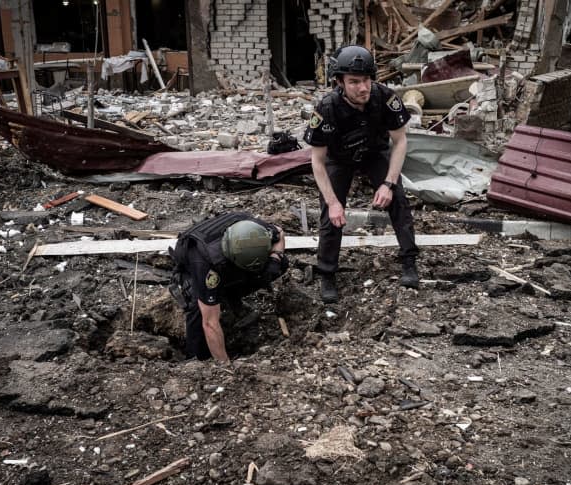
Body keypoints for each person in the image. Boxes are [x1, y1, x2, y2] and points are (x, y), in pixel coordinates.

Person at [303, 45, 418, 303]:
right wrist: (333, 203)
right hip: (338, 159)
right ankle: (327, 274)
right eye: (354, 82)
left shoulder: (385, 98)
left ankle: (409, 262)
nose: (363, 88)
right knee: (330, 215)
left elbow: (400, 142)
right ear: (340, 82)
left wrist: (388, 183)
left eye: (366, 80)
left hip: (373, 152)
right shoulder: (326, 109)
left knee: (398, 199)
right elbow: (317, 161)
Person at [169, 212, 287, 366]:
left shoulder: (257, 231)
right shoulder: (206, 265)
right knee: (199, 309)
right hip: (193, 260)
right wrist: (225, 365)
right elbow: (210, 323)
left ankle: (230, 295)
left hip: (233, 260)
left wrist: (275, 257)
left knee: (279, 265)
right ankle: (195, 357)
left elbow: (280, 232)